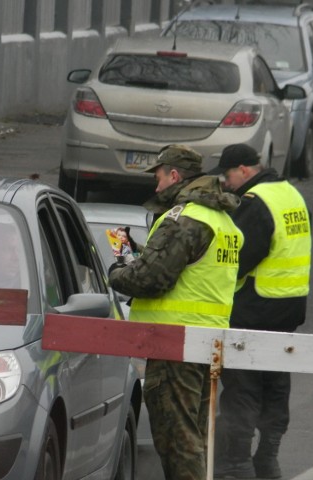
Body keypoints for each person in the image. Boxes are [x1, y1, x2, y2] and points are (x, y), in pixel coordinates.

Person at [109, 144, 243, 480]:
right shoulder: (222, 219)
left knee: (177, 440)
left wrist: (117, 270)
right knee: (194, 435)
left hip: (175, 344)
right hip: (208, 343)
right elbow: (195, 272)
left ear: (174, 175)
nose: (156, 188)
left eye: (158, 177)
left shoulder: (185, 218)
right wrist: (143, 252)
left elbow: (151, 278)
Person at [209, 144, 311, 479]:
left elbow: (235, 261)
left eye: (228, 175)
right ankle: (267, 459)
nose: (226, 183)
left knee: (243, 388)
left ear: (244, 170)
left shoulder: (256, 203)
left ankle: (236, 465)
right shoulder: (291, 194)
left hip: (254, 308)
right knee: (276, 383)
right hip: (288, 307)